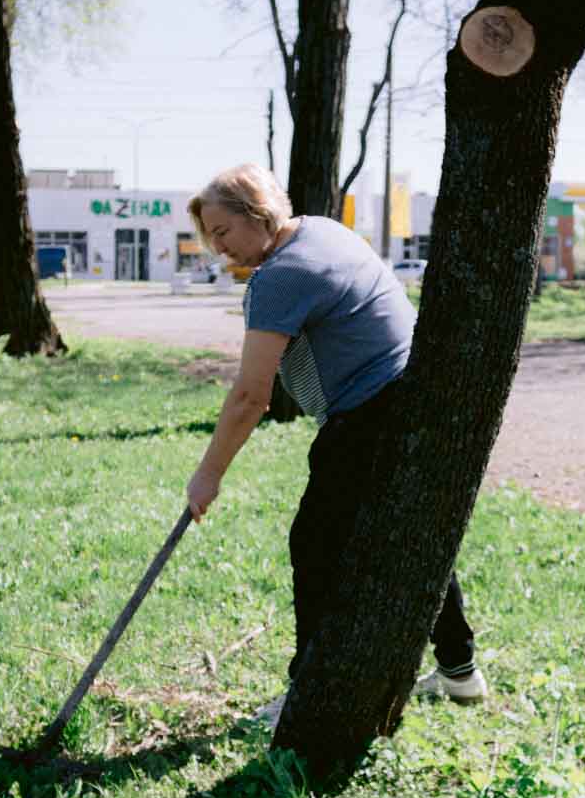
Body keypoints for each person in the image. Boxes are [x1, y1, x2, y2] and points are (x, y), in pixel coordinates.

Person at [182, 164, 484, 726]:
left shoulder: (280, 278)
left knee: (315, 543)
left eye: (223, 233)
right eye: (212, 238)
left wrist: (209, 475)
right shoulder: (322, 230)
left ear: (258, 214)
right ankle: (459, 669)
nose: (219, 249)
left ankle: (307, 695)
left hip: (370, 414)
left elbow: (251, 395)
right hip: (411, 393)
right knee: (413, 529)